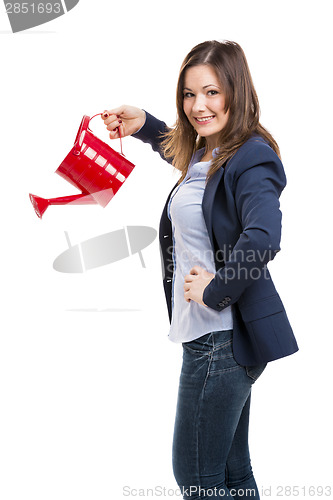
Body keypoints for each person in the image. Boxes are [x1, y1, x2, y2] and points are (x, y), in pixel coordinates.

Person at [102, 40, 298, 499]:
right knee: (231, 474)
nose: (198, 106)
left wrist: (215, 290)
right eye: (189, 95)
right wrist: (144, 125)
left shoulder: (251, 156)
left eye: (211, 92)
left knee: (194, 474)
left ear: (236, 91)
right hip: (212, 338)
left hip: (223, 338)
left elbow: (264, 236)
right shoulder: (208, 154)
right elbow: (183, 155)